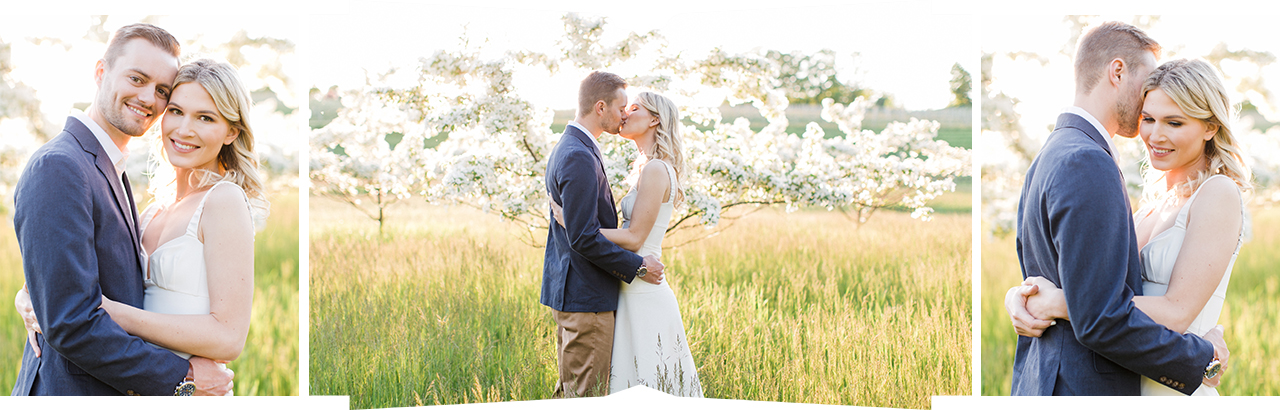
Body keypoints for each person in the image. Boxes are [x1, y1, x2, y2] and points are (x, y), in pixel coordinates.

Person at [1002, 21, 1228, 395]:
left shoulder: (1054, 152)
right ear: (1118, 71)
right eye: (1147, 86)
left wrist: (1048, 300)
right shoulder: (1088, 160)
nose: (1148, 107)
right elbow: (1098, 312)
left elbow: (1078, 287)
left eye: (1173, 121)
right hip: (1080, 384)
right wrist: (1201, 360)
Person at [10, 23, 233, 396]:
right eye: (137, 78)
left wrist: (37, 290)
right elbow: (73, 324)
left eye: (162, 90)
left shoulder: (108, 167)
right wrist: (185, 377)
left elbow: (81, 279)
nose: (148, 98)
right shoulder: (60, 166)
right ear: (101, 72)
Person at [550, 91, 702, 396]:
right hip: (629, 283)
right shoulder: (646, 168)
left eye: (634, 108)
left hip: (643, 288)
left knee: (648, 379)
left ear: (654, 120)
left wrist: (575, 225)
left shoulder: (657, 169)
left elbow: (634, 238)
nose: (625, 114)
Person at [541, 71, 665, 397]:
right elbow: (583, 237)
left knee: (571, 391)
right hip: (587, 297)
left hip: (574, 291)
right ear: (600, 107)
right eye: (621, 107)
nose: (625, 114)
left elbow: (580, 229)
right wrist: (637, 265)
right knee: (587, 394)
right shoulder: (579, 155)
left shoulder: (573, 147)